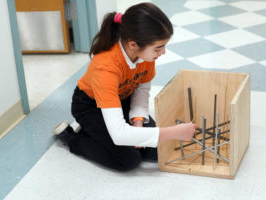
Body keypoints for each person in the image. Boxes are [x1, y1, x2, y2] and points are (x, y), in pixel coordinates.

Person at [52, 2, 196, 172]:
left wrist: (137, 121)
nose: (163, 53)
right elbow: (120, 134)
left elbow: (141, 90)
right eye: (158, 48)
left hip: (121, 98)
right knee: (128, 159)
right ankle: (73, 138)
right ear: (133, 44)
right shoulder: (105, 67)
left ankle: (102, 132)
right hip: (89, 106)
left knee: (157, 151)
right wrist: (173, 132)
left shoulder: (146, 56)